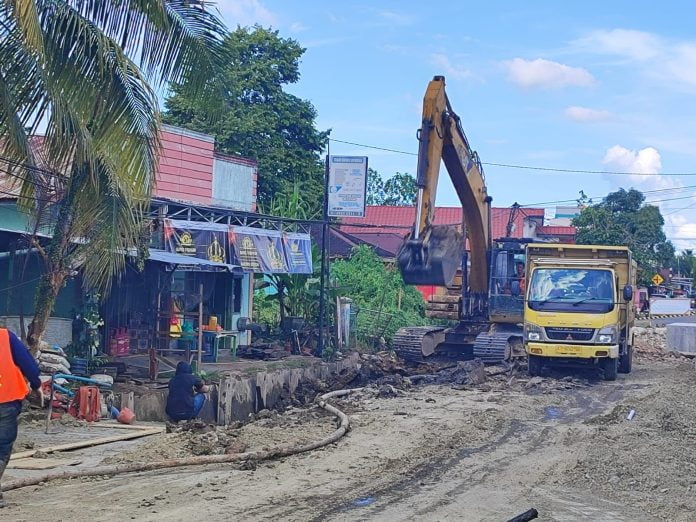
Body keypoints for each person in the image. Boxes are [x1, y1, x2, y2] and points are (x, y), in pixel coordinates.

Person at [0, 328, 42, 508]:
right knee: (2, 447)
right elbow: (28, 364)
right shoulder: (4, 337)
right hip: (6, 400)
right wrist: (36, 383)